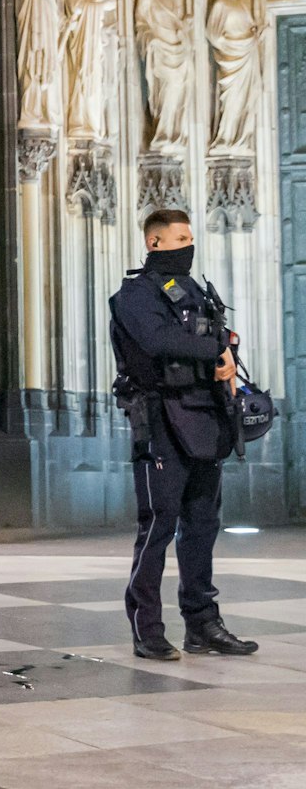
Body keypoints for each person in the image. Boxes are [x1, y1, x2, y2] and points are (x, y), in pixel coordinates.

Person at [108, 209, 257, 660]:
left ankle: (203, 624)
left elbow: (219, 338)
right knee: (158, 526)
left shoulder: (196, 291)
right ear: (154, 243)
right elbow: (158, 341)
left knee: (202, 526)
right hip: (160, 420)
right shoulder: (134, 295)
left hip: (204, 419)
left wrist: (226, 356)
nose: (188, 246)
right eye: (180, 239)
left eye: (190, 238)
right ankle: (147, 629)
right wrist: (216, 349)